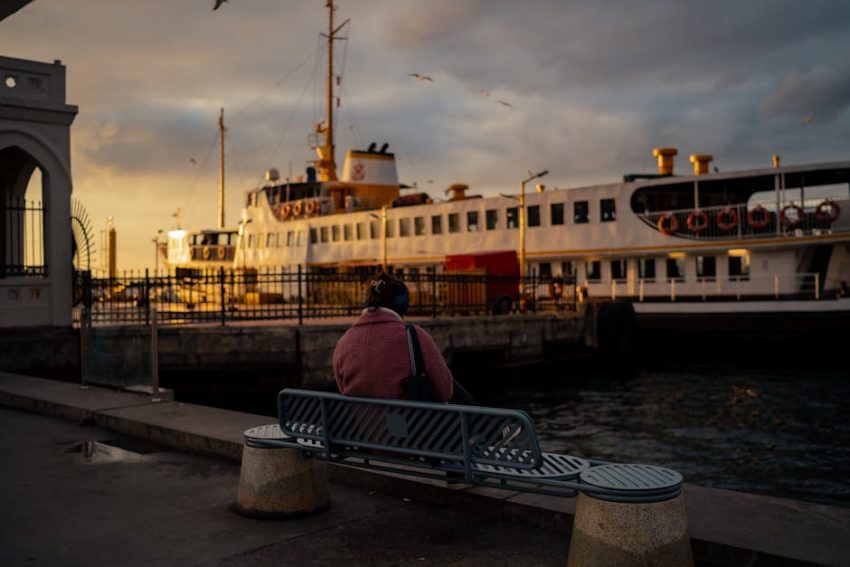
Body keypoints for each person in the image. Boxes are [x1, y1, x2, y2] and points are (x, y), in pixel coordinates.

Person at [333, 271, 474, 404]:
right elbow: (445, 390)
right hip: (405, 421)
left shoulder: (344, 342)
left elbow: (342, 387)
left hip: (357, 422)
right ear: (401, 304)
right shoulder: (414, 335)